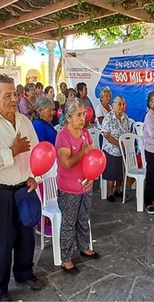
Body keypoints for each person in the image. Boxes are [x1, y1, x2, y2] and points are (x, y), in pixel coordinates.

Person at [0, 75, 44, 300]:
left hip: (24, 187)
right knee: (1, 243)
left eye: (15, 94)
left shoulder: (24, 121)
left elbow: (35, 153)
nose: (13, 99)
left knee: (26, 236)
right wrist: (13, 150)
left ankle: (24, 273)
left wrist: (34, 176)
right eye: (7, 96)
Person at [55, 99, 100, 274]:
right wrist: (83, 151)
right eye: (79, 115)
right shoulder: (63, 136)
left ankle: (84, 247)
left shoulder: (85, 133)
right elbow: (66, 163)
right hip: (68, 189)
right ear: (68, 117)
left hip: (86, 184)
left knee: (83, 218)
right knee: (68, 222)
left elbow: (93, 158)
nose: (83, 118)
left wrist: (92, 176)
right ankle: (66, 259)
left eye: (84, 114)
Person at [32, 96, 58, 237]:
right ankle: (42, 225)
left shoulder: (46, 123)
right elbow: (41, 147)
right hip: (44, 168)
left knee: (50, 194)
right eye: (50, 110)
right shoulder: (38, 125)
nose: (53, 112)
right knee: (44, 196)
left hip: (51, 166)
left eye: (53, 109)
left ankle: (49, 222)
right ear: (40, 111)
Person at [100, 96, 130, 202]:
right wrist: (118, 144)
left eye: (123, 104)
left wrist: (124, 144)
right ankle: (110, 192)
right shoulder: (108, 117)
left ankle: (118, 190)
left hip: (123, 149)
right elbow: (106, 135)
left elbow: (128, 132)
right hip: (110, 149)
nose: (121, 106)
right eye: (119, 104)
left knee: (121, 171)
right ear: (113, 106)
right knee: (112, 172)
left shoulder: (125, 117)